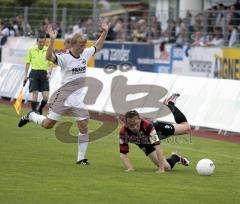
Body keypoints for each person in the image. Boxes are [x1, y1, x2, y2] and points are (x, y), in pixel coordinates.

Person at [18, 20, 109, 165]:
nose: (83, 48)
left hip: (78, 98)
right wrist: (52, 40)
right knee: (48, 124)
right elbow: (48, 57)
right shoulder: (64, 58)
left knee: (84, 125)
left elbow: (97, 45)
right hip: (64, 96)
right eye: (81, 45)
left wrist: (105, 31)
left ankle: (81, 159)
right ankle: (32, 115)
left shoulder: (85, 54)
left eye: (84, 45)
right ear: (73, 44)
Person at [119, 93, 191, 172]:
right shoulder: (123, 132)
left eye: (136, 124)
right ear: (126, 124)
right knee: (167, 168)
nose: (134, 127)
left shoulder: (147, 125)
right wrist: (130, 168)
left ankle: (169, 103)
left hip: (158, 130)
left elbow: (157, 147)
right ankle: (175, 157)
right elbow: (123, 153)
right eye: (131, 125)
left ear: (139, 120)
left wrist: (161, 168)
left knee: (187, 128)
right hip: (145, 144)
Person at [24, 32, 52, 115]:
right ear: (37, 41)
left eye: (43, 42)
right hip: (34, 73)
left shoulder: (48, 50)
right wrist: (25, 76)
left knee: (46, 97)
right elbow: (27, 63)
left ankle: (40, 108)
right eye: (40, 42)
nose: (42, 43)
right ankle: (33, 111)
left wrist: (49, 73)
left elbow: (51, 64)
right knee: (35, 93)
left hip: (44, 74)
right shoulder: (31, 50)